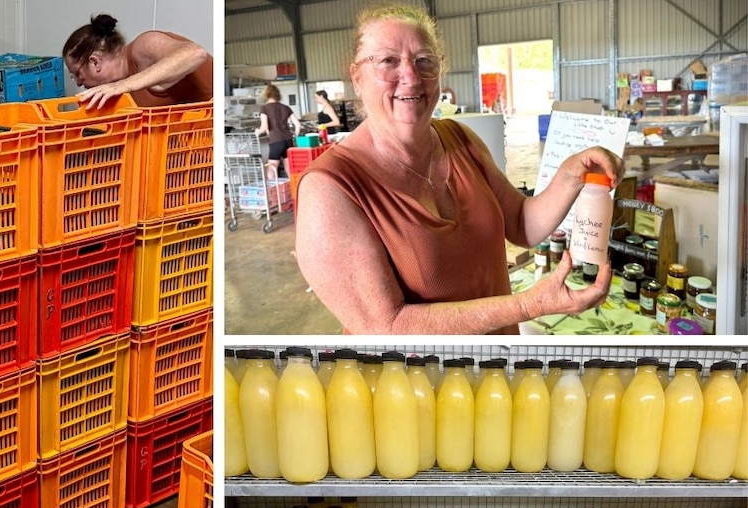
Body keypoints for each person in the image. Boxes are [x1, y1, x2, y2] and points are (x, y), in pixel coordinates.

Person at [295, 4, 624, 335]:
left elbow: (522, 225)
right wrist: (528, 305)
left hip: (497, 371)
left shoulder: (460, 139)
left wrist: (570, 175)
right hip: (420, 382)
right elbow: (386, 326)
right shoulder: (329, 188)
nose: (410, 77)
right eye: (387, 61)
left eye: (424, 61)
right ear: (357, 78)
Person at [62, 14, 212, 109]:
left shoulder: (143, 46)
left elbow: (195, 53)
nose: (78, 83)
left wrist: (123, 85)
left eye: (77, 73)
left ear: (95, 62)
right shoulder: (124, 88)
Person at [255, 83, 302, 177]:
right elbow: (298, 125)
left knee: (272, 167)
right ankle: (292, 189)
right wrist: (295, 137)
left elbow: (264, 127)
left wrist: (258, 131)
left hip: (275, 141)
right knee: (289, 168)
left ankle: (274, 190)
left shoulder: (264, 108)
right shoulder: (286, 107)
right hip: (288, 140)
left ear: (266, 95)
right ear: (278, 95)